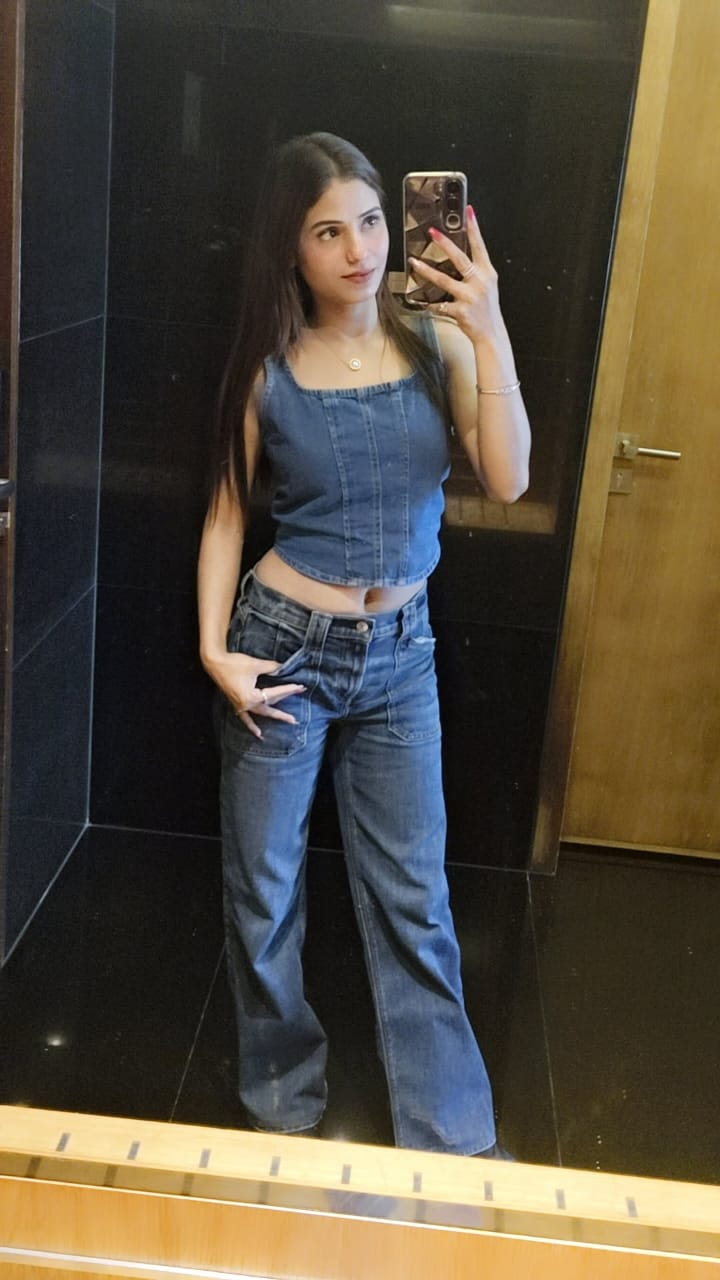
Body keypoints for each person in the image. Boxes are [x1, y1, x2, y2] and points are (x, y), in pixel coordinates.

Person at [197, 132, 530, 1157]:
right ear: (290, 249)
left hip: (401, 655)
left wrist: (491, 328)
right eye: (328, 231)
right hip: (280, 650)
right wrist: (213, 649)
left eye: (373, 222)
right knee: (264, 888)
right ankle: (282, 1099)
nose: (360, 249)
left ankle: (449, 1131)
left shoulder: (439, 342)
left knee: (414, 897)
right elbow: (226, 512)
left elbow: (508, 478)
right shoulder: (268, 367)